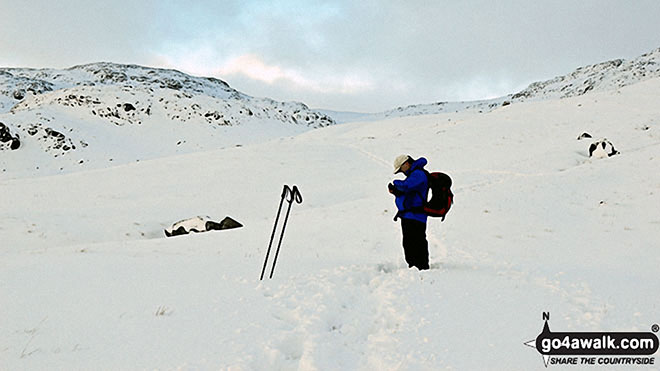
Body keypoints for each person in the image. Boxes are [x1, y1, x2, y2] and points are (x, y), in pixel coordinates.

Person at [388, 154, 429, 270]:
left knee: (415, 242)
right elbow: (409, 192)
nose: (401, 172)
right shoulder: (414, 174)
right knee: (410, 242)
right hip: (410, 214)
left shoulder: (418, 174)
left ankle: (420, 267)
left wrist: (396, 184)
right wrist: (396, 192)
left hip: (416, 215)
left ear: (406, 163)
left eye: (401, 169)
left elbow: (406, 186)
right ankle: (415, 267)